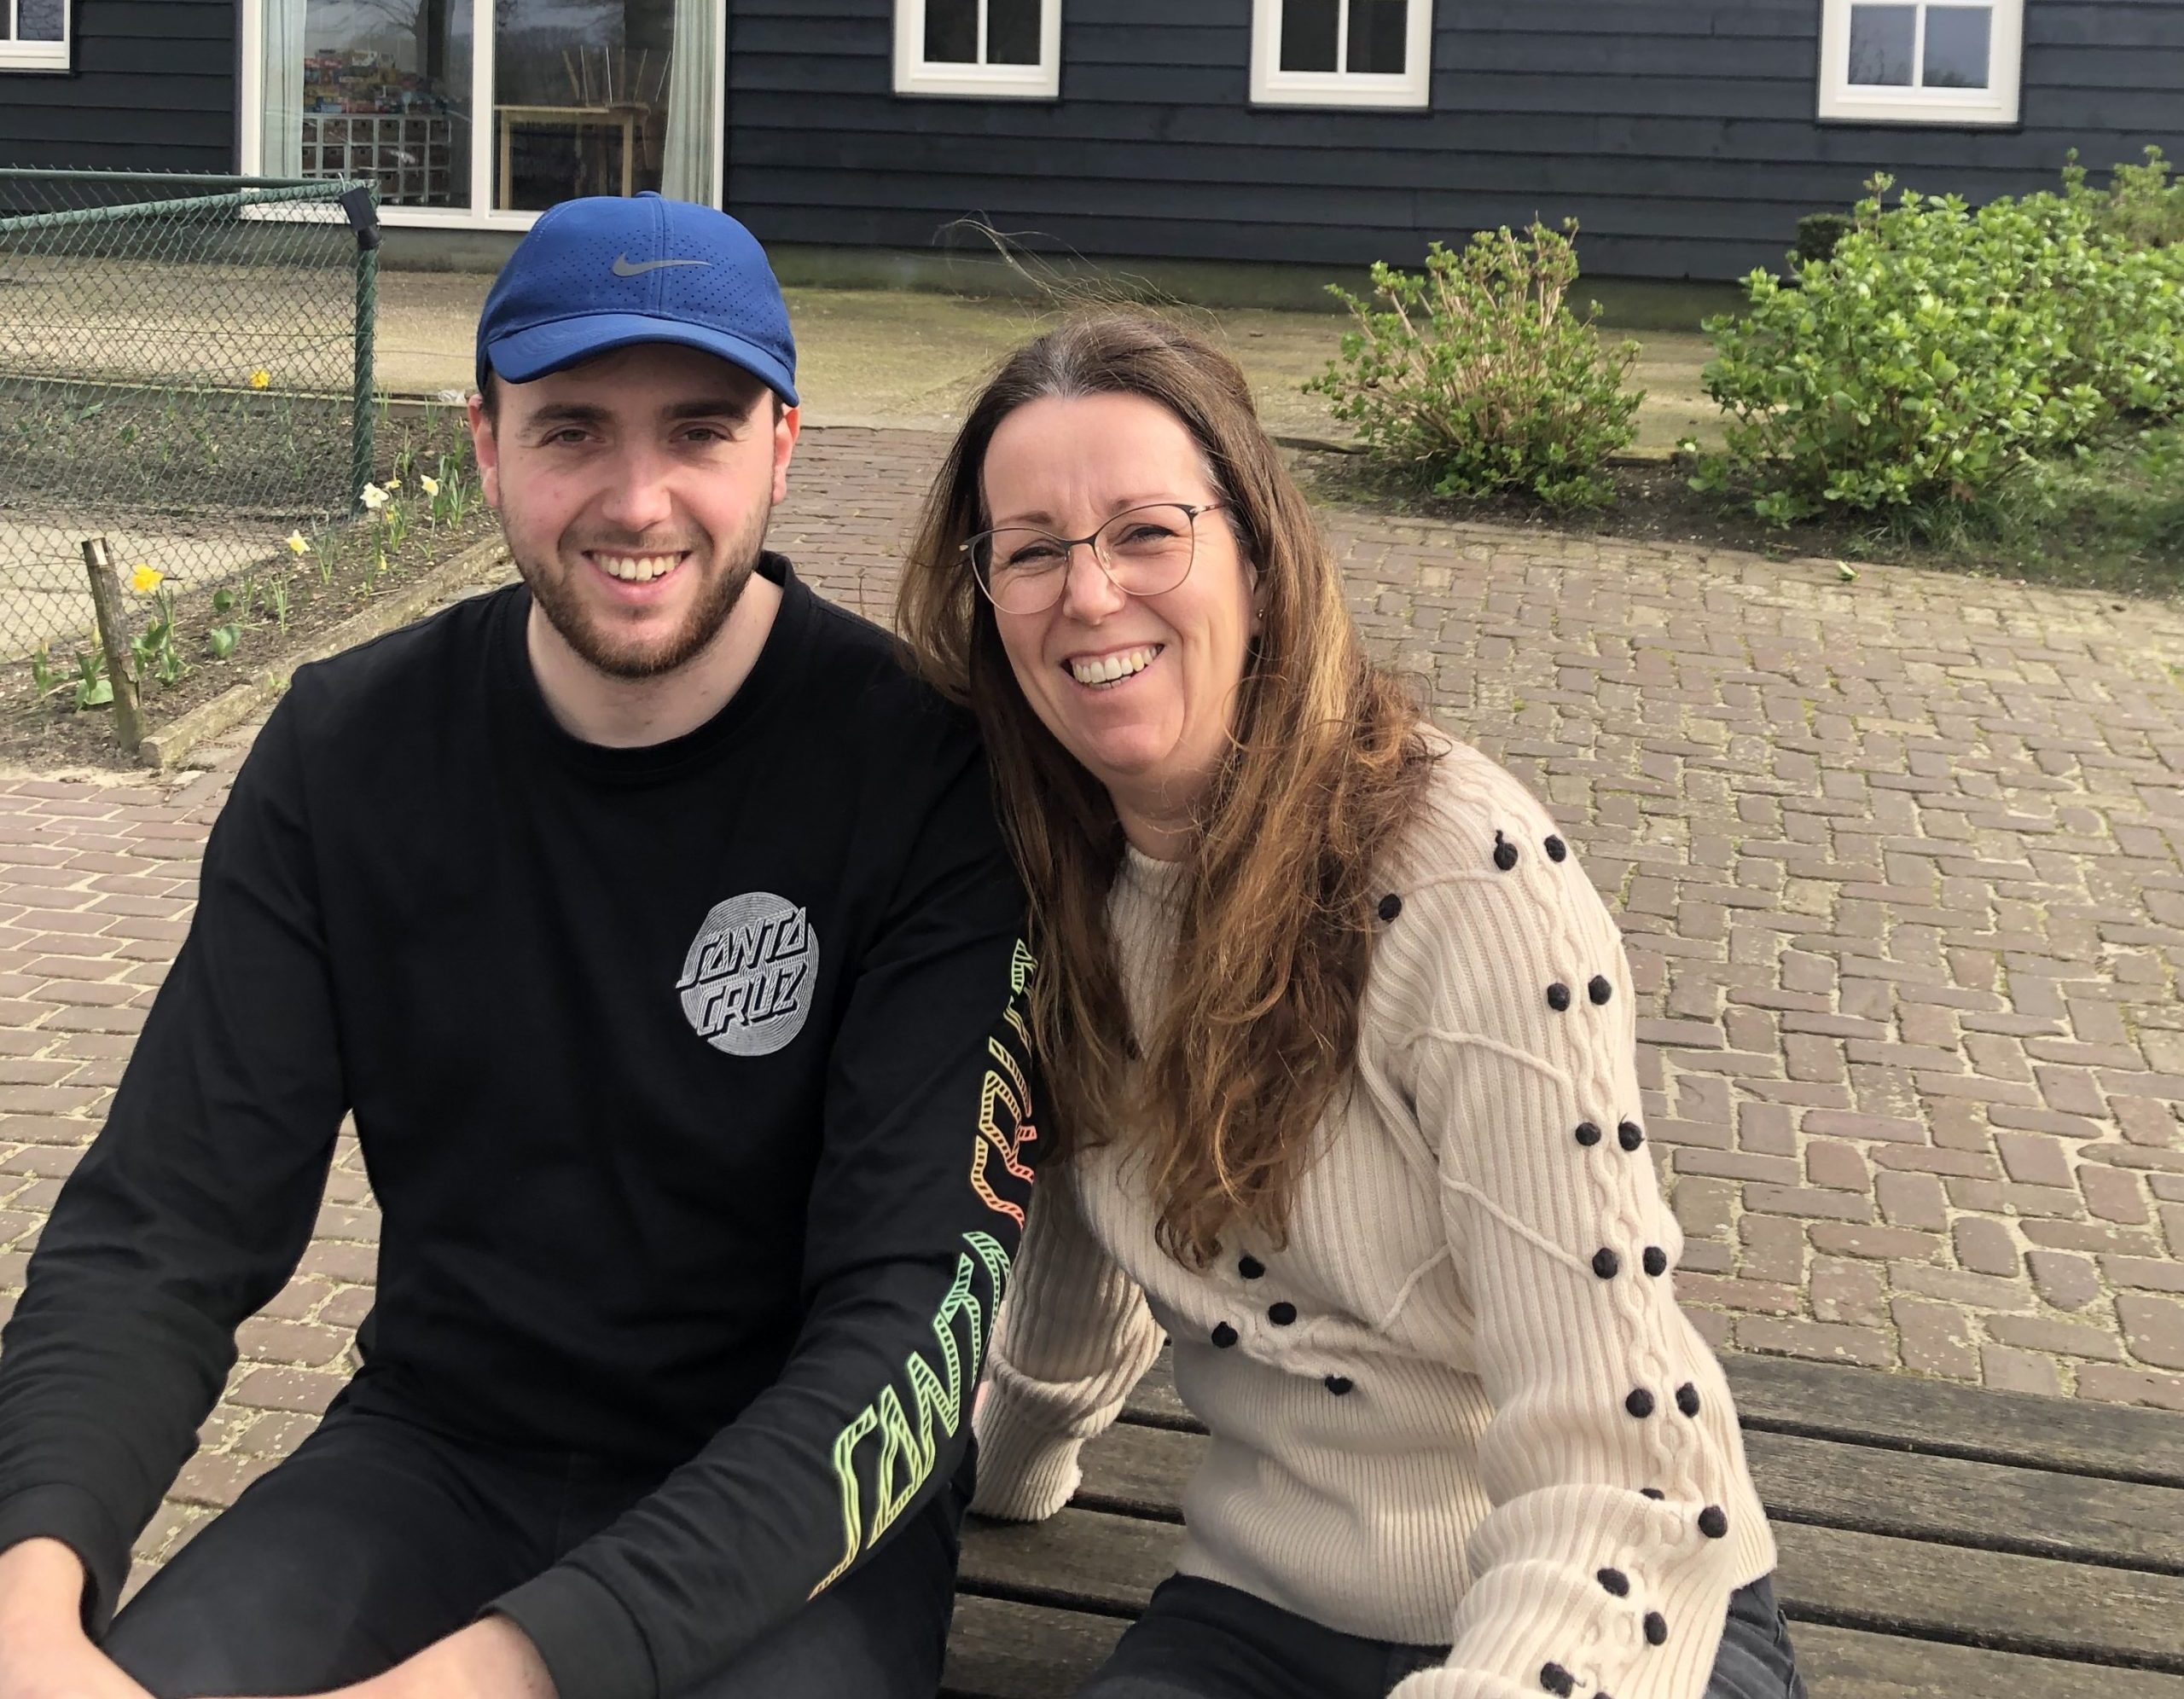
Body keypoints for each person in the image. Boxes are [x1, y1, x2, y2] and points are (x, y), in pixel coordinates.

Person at [0, 194, 1038, 1699]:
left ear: (782, 447)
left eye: (698, 431)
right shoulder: (349, 752)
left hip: (793, 1505)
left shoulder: (925, 777)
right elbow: (165, 1222)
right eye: (572, 431)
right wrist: (31, 1606)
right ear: (484, 444)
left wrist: (496, 1674)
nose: (639, 500)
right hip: (435, 1456)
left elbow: (911, 1331)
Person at [895, 310, 1805, 1699]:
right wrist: (1004, 1466)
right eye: (1031, 551)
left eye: (1147, 533)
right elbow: (1090, 1238)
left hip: (1605, 1607)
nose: (1089, 593)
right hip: (1264, 1612)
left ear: (1259, 561)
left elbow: (1623, 1468)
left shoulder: (1467, 881)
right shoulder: (1048, 878)